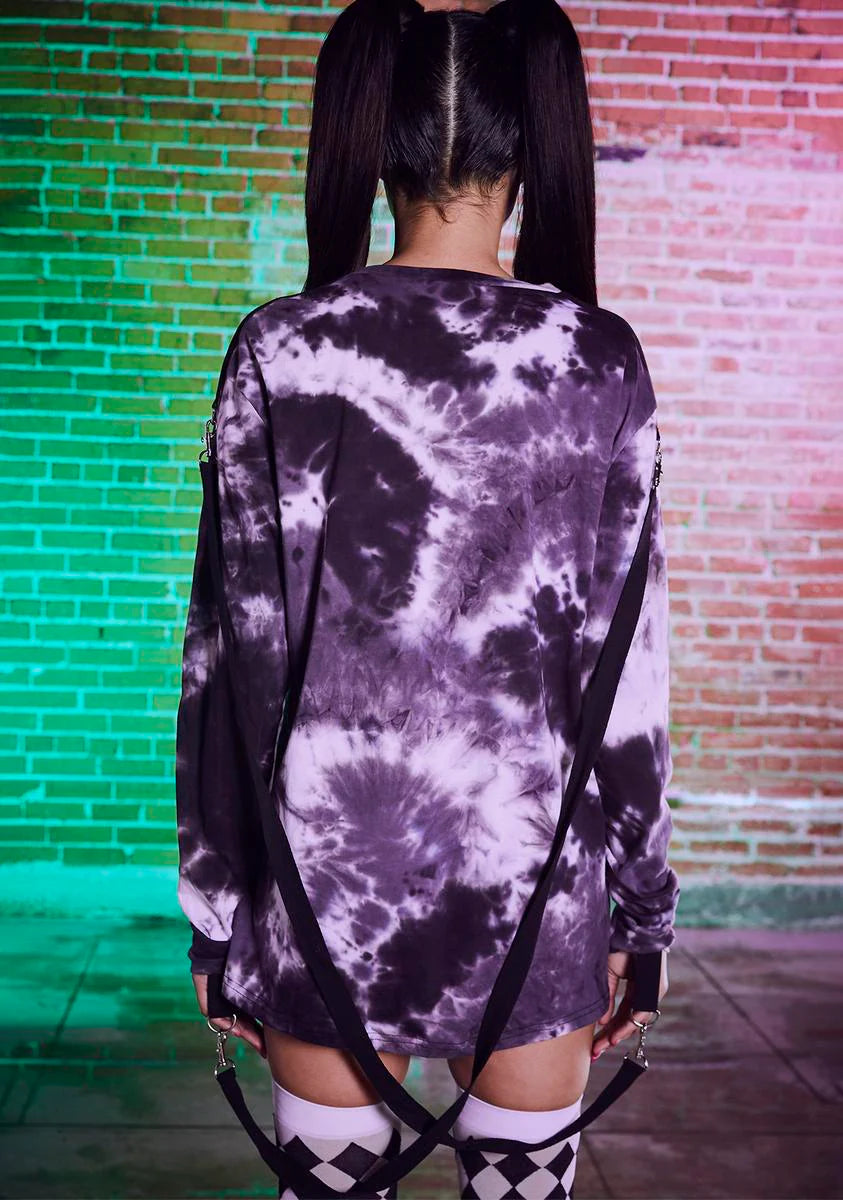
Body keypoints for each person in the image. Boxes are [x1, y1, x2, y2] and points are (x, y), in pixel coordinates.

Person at [174, 0, 679, 1196]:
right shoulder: (597, 359)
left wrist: (218, 907)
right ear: (529, 152)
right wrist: (643, 915)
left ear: (374, 146)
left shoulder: (281, 350)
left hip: (325, 887)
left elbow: (229, 662)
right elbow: (627, 679)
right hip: (533, 885)